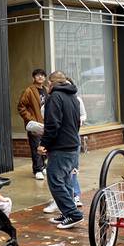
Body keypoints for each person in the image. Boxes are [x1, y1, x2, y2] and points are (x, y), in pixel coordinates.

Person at [37, 71, 83, 230]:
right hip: (72, 144)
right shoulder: (73, 97)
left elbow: (52, 124)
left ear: (51, 83)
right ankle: (67, 212)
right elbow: (77, 123)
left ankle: (73, 214)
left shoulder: (54, 97)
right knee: (66, 181)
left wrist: (44, 144)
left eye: (48, 83)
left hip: (61, 147)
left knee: (55, 181)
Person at [18, 68, 48, 180]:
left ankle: (43, 166)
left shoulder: (46, 89)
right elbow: (21, 107)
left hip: (46, 123)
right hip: (35, 124)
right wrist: (30, 119)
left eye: (42, 75)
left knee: (45, 146)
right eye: (38, 75)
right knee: (36, 146)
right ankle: (37, 169)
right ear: (33, 77)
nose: (40, 77)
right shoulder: (29, 90)